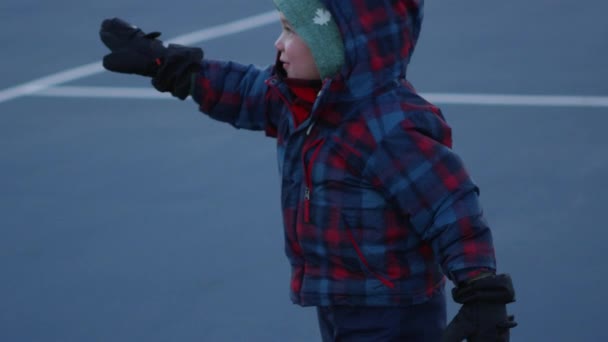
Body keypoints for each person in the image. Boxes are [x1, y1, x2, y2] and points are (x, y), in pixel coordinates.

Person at [99, 0, 517, 340]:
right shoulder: (299, 99)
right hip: (338, 298)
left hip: (391, 311)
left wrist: (481, 289)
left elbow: (450, 206)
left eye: (292, 30)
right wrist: (171, 66)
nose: (279, 43)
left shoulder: (389, 128)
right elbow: (244, 92)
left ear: (339, 41)